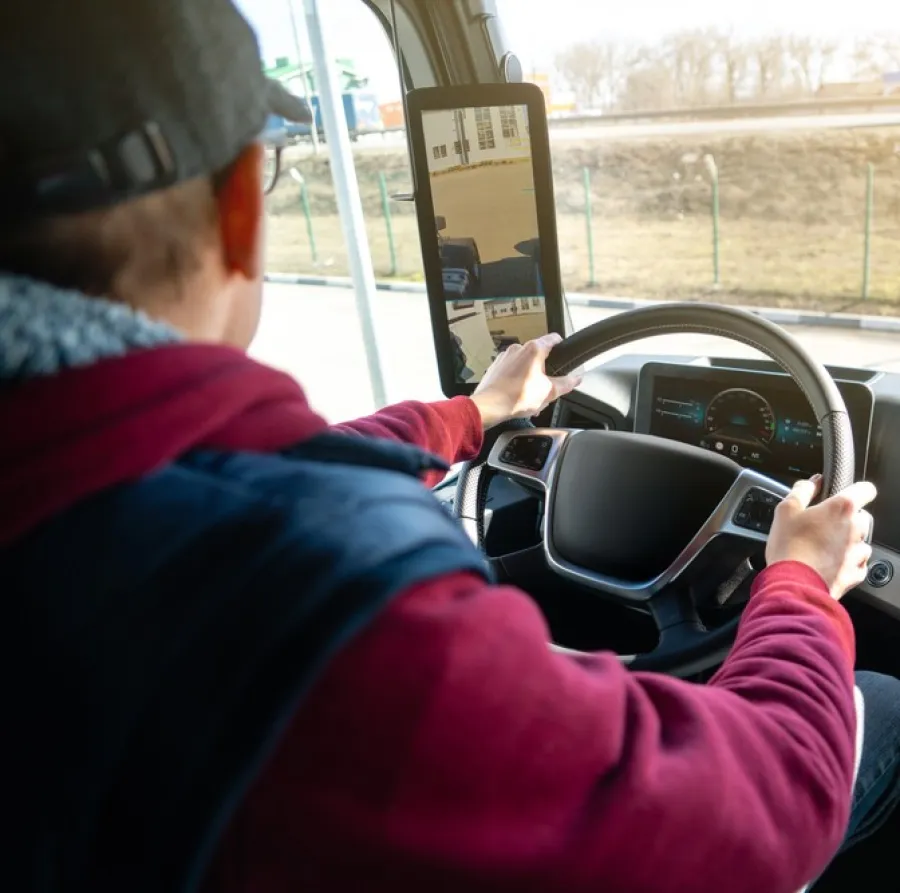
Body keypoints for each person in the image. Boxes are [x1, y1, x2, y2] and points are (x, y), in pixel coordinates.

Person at [1, 2, 900, 892]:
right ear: (240, 204)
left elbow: (281, 465)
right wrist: (800, 588)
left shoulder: (107, 482)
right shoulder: (314, 591)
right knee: (883, 711)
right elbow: (763, 808)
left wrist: (473, 415)